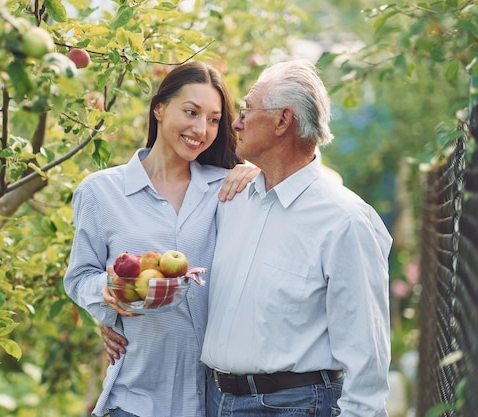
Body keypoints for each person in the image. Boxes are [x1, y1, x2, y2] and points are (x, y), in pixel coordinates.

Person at [63, 60, 257, 417]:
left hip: (218, 402)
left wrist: (258, 170)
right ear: (159, 108)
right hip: (137, 396)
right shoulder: (102, 192)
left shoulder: (229, 187)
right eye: (191, 111)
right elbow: (78, 278)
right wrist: (106, 298)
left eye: (214, 119)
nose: (201, 129)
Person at [201, 59, 392, 416]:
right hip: (216, 400)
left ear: (282, 120)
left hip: (293, 407)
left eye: (246, 109)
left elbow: (368, 356)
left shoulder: (344, 220)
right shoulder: (233, 199)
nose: (236, 122)